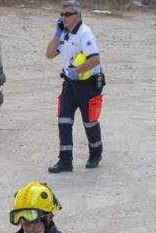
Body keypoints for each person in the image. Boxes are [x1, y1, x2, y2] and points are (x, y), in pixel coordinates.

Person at [46, 0, 104, 172]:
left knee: (90, 122)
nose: (63, 18)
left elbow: (95, 59)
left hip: (88, 84)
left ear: (78, 16)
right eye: (61, 15)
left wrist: (76, 71)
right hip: (70, 85)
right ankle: (65, 161)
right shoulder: (64, 34)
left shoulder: (85, 34)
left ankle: (95, 154)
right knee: (64, 121)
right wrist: (57, 34)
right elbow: (49, 54)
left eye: (68, 14)